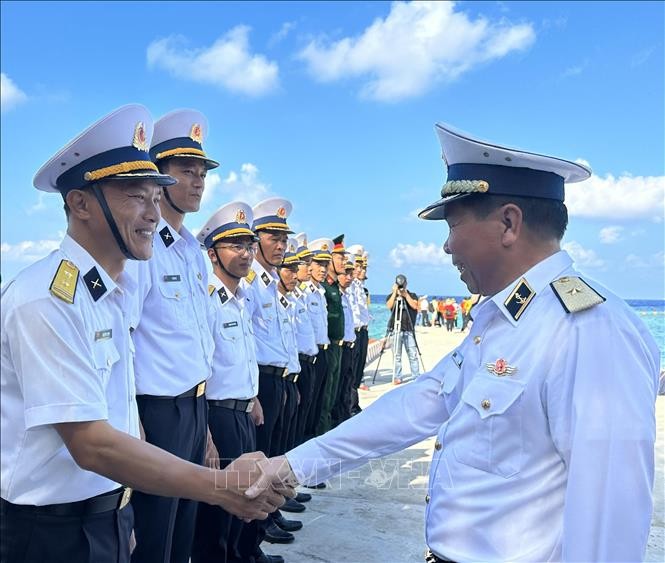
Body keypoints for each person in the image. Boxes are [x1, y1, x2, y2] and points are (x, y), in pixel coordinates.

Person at [276, 122, 660, 562]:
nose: (446, 247)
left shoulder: (590, 331)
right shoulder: (502, 318)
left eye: (454, 225)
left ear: (509, 224)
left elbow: (608, 522)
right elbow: (421, 402)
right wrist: (292, 466)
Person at [0, 105, 291, 563]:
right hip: (52, 530)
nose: (152, 213)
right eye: (135, 196)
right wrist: (221, 488)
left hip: (106, 512)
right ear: (79, 203)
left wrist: (123, 514)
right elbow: (91, 443)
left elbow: (119, 408)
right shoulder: (46, 297)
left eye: (155, 198)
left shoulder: (107, 295)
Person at [129, 109, 219, 563]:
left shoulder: (192, 253)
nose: (198, 181)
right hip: (156, 415)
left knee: (183, 533)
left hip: (192, 408)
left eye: (202, 173)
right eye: (186, 170)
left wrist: (202, 427)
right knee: (153, 539)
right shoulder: (144, 249)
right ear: (160, 177)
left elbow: (197, 342)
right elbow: (125, 338)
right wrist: (133, 423)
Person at [191, 202, 263, 563]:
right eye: (235, 246)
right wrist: (205, 432)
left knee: (245, 500)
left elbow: (241, 360)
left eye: (249, 245)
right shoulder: (208, 302)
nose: (246, 253)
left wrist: (253, 397)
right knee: (217, 516)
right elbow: (200, 370)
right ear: (213, 253)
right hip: (217, 417)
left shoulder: (241, 298)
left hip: (242, 413)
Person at [302, 238, 333, 445]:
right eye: (318, 264)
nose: (322, 269)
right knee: (306, 409)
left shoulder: (320, 293)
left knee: (318, 405)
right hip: (308, 357)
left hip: (323, 352)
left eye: (325, 264)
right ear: (309, 265)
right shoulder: (303, 293)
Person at [316, 234, 346, 434]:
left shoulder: (334, 287)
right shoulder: (323, 288)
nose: (344, 261)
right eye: (340, 257)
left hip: (337, 345)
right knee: (323, 398)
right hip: (325, 348)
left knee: (333, 394)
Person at [331, 256, 358, 427]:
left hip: (349, 346)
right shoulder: (333, 294)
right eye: (345, 274)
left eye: (350, 274)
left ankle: (345, 418)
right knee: (336, 392)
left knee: (346, 387)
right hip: (338, 348)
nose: (349, 277)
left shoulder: (344, 294)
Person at [385, 275, 420, 384]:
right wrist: (395, 293)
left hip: (409, 329)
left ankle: (416, 376)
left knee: (413, 354)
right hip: (396, 329)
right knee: (396, 355)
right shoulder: (392, 296)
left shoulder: (412, 295)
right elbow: (389, 305)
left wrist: (405, 295)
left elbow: (415, 306)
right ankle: (397, 377)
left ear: (406, 283)